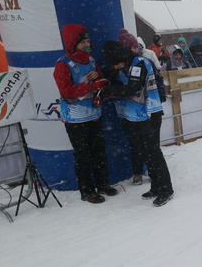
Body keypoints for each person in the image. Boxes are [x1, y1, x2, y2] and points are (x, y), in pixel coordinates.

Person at [102, 30, 174, 207]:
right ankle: (156, 186)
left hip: (150, 113)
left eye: (116, 64)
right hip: (135, 116)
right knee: (145, 152)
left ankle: (166, 189)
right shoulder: (127, 65)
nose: (116, 67)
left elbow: (132, 88)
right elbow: (113, 77)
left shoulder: (139, 63)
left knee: (154, 152)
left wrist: (108, 91)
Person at [52, 23, 118, 203]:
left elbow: (100, 80)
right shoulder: (63, 64)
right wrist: (89, 86)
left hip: (94, 114)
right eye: (84, 42)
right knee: (83, 155)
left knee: (99, 151)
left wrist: (99, 79)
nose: (88, 44)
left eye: (88, 41)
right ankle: (87, 191)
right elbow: (66, 91)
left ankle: (102, 184)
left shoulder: (91, 60)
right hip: (75, 119)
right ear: (74, 43)